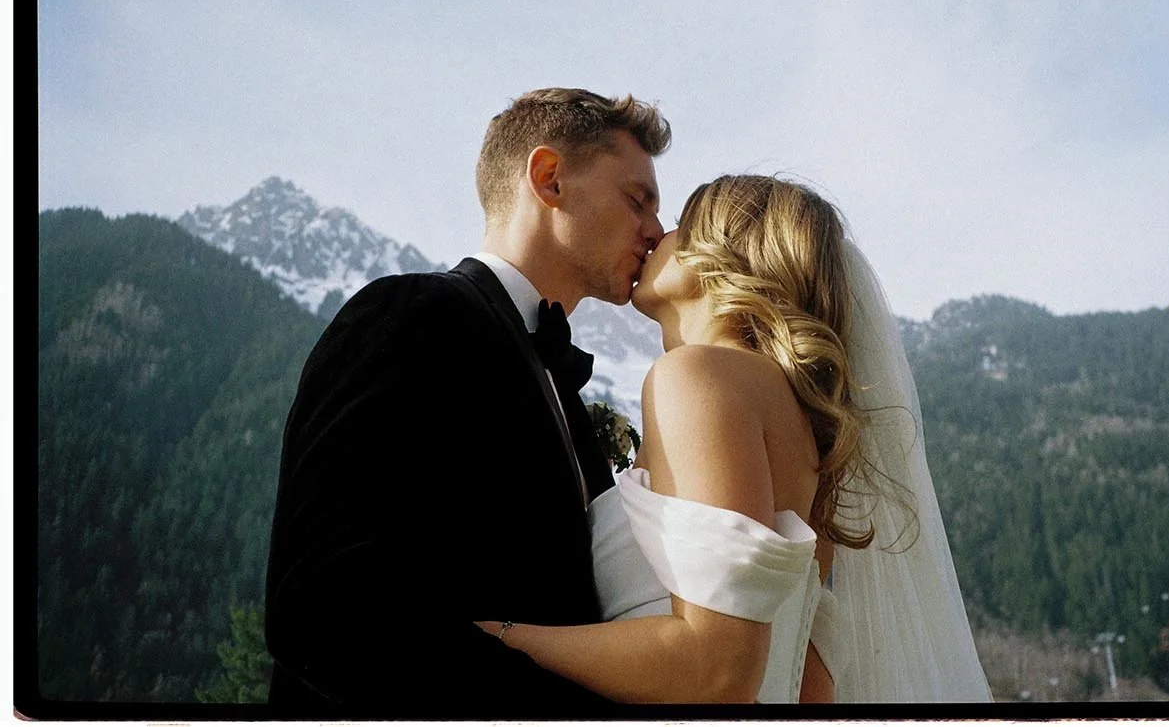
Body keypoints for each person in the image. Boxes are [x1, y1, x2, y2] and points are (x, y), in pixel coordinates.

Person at [476, 175, 993, 703]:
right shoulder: (804, 443)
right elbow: (809, 686)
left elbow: (716, 670)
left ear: (719, 254)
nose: (659, 234)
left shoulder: (698, 376)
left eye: (682, 223)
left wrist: (499, 637)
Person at [263, 87, 670, 717]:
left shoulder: (560, 382)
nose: (656, 231)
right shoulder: (411, 315)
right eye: (638, 200)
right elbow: (324, 606)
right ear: (550, 178)